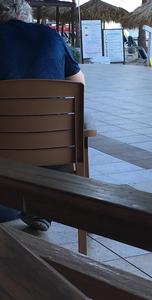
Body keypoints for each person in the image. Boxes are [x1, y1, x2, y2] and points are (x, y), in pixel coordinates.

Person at [0, 0, 85, 230]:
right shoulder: (51, 36)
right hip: (52, 150)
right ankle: (39, 209)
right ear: (27, 16)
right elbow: (78, 83)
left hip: (4, 146)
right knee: (48, 133)